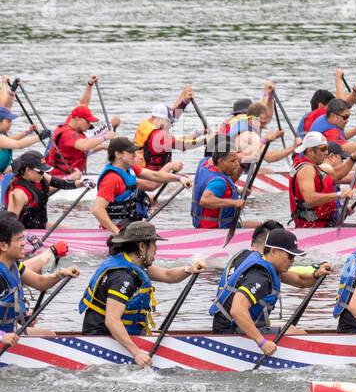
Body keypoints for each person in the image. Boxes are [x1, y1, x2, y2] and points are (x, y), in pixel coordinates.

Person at [79, 221, 206, 367]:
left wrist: (190, 269)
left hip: (113, 334)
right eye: (154, 244)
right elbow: (112, 321)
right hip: (100, 339)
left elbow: (167, 274)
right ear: (141, 246)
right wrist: (137, 353)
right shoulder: (123, 277)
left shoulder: (132, 262)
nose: (156, 249)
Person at [211, 229, 332, 354]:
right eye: (289, 256)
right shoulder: (260, 276)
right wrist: (262, 342)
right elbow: (237, 310)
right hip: (231, 332)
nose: (292, 261)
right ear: (273, 251)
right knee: (299, 335)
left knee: (291, 328)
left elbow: (300, 281)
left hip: (225, 326)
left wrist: (317, 274)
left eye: (294, 257)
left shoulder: (256, 258)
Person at [0, 212, 81, 346]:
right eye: (19, 240)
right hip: (4, 337)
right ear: (3, 246)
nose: (23, 244)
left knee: (50, 336)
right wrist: (2, 336)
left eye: (23, 239)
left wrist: (61, 274)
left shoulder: (15, 266)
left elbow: (40, 282)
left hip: (11, 333)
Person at [92, 138, 191, 236]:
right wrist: (116, 233)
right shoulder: (111, 179)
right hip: (114, 233)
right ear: (118, 155)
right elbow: (97, 209)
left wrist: (179, 178)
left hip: (130, 228)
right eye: (131, 152)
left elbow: (155, 176)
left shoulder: (131, 168)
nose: (136, 155)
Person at [48, 75, 120, 176]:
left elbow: (83, 104)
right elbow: (84, 146)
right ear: (77, 119)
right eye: (88, 122)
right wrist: (105, 137)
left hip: (71, 173)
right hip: (60, 177)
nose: (89, 125)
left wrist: (90, 84)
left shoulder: (72, 121)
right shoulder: (68, 134)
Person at [132, 87, 206, 173]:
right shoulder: (158, 136)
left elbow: (171, 115)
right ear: (160, 119)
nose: (170, 125)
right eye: (168, 122)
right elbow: (184, 145)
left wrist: (184, 99)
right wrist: (206, 140)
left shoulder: (146, 123)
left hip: (139, 168)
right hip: (149, 173)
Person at [4, 151, 85, 229]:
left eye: (44, 171)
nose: (43, 174)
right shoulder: (19, 193)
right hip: (26, 233)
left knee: (71, 230)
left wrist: (82, 183)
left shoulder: (40, 175)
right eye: (41, 171)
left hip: (41, 226)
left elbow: (61, 183)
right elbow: (11, 224)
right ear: (28, 170)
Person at [211, 219, 284, 306]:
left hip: (221, 316)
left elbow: (299, 279)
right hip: (235, 317)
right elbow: (237, 310)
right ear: (274, 249)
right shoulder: (260, 270)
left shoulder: (241, 257)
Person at [289, 131, 353, 227]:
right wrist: (339, 195)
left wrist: (354, 158)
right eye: (323, 149)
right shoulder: (307, 169)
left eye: (326, 148)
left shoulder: (312, 166)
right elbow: (310, 199)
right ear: (310, 151)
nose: (326, 152)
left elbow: (337, 175)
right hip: (311, 227)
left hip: (322, 223)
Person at [191, 143, 248, 229]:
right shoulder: (219, 182)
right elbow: (205, 200)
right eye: (232, 161)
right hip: (216, 229)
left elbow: (219, 191)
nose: (237, 164)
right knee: (262, 227)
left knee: (256, 225)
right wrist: (235, 203)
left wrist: (239, 191)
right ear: (220, 161)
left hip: (200, 224)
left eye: (237, 160)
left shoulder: (204, 165)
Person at [295, 70, 356, 136]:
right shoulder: (321, 114)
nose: (333, 107)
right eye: (331, 105)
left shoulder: (311, 117)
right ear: (321, 106)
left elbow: (346, 105)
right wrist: (338, 79)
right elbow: (341, 104)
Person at [0, 103, 48, 175]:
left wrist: (28, 132)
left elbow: (11, 139)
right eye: (8, 121)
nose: (10, 124)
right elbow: (19, 145)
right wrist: (40, 137)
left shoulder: (3, 136)